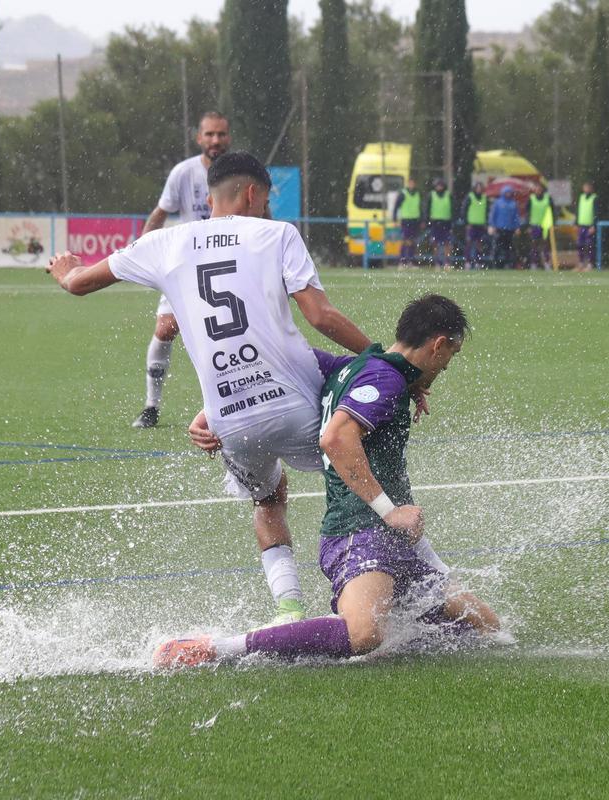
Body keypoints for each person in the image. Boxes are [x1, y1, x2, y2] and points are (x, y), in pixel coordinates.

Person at [46, 152, 373, 625]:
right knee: (361, 473)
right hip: (298, 406)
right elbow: (320, 316)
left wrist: (64, 269)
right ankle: (398, 581)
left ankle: (288, 610)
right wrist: (381, 358)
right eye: (265, 201)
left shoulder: (164, 242)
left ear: (208, 196)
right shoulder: (277, 233)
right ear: (253, 194)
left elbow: (78, 283)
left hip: (230, 421)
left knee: (268, 499)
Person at [152, 295, 503, 668]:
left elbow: (273, 369)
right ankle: (214, 648)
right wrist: (390, 511)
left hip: (394, 541)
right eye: (452, 353)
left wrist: (212, 412)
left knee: (486, 629)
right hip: (359, 532)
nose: (448, 364)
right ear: (439, 344)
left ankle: (394, 614)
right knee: (364, 633)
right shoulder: (385, 380)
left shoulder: (350, 367)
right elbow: (335, 438)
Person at [131, 112, 232, 429]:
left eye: (221, 134)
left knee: (226, 338)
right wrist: (142, 252)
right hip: (186, 265)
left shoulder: (240, 171)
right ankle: (150, 407)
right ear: (199, 138)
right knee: (164, 330)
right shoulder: (183, 173)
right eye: (209, 134)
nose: (215, 140)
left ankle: (229, 406)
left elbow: (263, 213)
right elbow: (158, 215)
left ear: (228, 138)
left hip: (229, 264)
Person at [488, 185, 521, 269]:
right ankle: (495, 264)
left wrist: (517, 227)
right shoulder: (498, 202)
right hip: (499, 228)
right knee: (497, 247)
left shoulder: (514, 204)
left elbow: (516, 216)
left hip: (510, 229)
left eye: (510, 192)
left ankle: (508, 264)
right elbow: (493, 215)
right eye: (507, 192)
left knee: (509, 248)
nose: (508, 194)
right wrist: (492, 225)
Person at [393, 177, 423, 265]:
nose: (411, 184)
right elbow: (396, 206)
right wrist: (394, 219)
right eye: (410, 183)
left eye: (412, 183)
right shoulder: (403, 193)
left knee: (413, 241)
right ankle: (402, 260)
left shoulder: (418, 194)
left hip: (415, 220)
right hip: (406, 220)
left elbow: (421, 207)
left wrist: (422, 220)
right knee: (405, 240)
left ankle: (411, 261)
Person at [460, 182, 490, 269]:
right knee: (469, 243)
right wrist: (466, 222)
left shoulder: (485, 198)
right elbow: (464, 210)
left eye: (480, 188)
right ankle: (467, 261)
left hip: (481, 224)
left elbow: (487, 212)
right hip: (471, 225)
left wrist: (486, 223)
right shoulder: (470, 197)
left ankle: (478, 261)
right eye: (477, 188)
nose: (479, 189)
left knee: (479, 244)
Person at [427, 178, 453, 268]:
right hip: (435, 222)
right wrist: (426, 220)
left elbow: (453, 208)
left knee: (447, 243)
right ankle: (437, 262)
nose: (439, 187)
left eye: (441, 185)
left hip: (446, 222)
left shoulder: (448, 195)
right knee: (435, 243)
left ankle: (447, 262)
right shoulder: (431, 195)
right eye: (438, 185)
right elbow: (427, 208)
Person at [527, 185, 552, 270]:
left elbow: (552, 211)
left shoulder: (548, 199)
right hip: (534, 225)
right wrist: (528, 225)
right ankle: (534, 263)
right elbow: (528, 212)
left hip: (545, 226)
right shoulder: (531, 199)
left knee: (545, 245)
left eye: (540, 189)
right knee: (534, 245)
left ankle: (546, 263)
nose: (538, 191)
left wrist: (552, 223)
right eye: (537, 189)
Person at [575, 182, 596, 271]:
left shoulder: (594, 198)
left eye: (588, 188)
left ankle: (590, 264)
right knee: (580, 245)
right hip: (581, 225)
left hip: (589, 226)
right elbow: (578, 211)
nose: (586, 189)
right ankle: (581, 263)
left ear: (591, 189)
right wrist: (576, 223)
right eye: (585, 188)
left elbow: (596, 213)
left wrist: (594, 225)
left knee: (590, 245)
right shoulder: (581, 197)